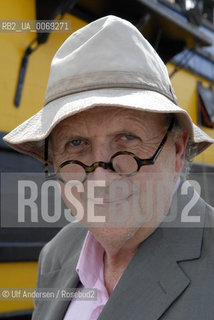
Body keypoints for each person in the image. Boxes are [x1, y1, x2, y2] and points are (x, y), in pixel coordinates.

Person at [4, 15, 214, 320]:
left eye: (128, 139)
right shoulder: (56, 253)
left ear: (178, 150)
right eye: (76, 143)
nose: (100, 177)